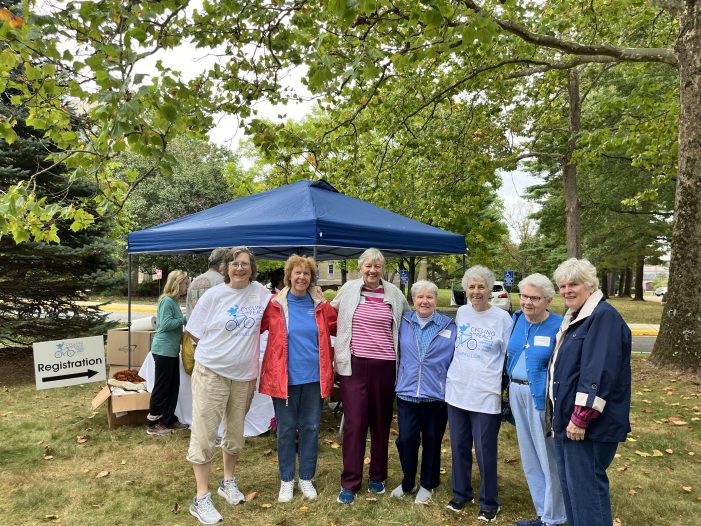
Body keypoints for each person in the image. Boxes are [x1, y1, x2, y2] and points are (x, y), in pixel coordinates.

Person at [185, 247, 272, 525]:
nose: (239, 268)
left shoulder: (261, 293)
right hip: (212, 373)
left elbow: (282, 307)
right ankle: (200, 498)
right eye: (234, 264)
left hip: (244, 376)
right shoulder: (214, 295)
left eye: (245, 264)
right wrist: (218, 354)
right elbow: (193, 333)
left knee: (235, 432)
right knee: (204, 433)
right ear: (226, 268)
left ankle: (228, 482)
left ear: (252, 268)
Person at [547, 258, 631, 526]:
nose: (567, 290)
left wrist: (581, 417)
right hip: (566, 420)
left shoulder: (602, 317)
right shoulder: (577, 317)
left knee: (587, 492)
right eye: (562, 285)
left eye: (574, 284)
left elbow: (599, 372)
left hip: (587, 425)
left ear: (590, 285)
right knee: (572, 489)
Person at [332, 248, 410, 505]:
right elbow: (329, 316)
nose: (372, 271)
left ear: (382, 269)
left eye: (377, 267)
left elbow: (408, 323)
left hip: (385, 366)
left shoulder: (395, 294)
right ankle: (350, 482)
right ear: (360, 268)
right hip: (353, 366)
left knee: (381, 422)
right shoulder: (349, 289)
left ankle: (378, 476)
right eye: (368, 266)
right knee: (355, 424)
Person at [259, 255, 337, 503]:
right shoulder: (274, 305)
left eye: (306, 273)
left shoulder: (320, 307)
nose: (302, 277)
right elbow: (252, 329)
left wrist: (325, 301)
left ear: (312, 278)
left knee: (311, 428)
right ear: (288, 276)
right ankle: (286, 480)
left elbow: (340, 327)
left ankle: (305, 477)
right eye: (297, 273)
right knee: (285, 430)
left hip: (314, 378)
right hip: (284, 379)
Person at [445, 265, 512, 522]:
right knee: (459, 446)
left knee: (485, 450)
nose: (476, 292)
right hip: (457, 389)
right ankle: (461, 493)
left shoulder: (502, 319)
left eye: (481, 287)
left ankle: (489, 502)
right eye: (471, 287)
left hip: (486, 392)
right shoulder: (461, 313)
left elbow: (509, 356)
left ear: (489, 289)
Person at [506, 274, 566, 526]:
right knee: (529, 455)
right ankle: (543, 511)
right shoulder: (517, 320)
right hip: (516, 393)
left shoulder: (560, 325)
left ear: (548, 300)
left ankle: (555, 516)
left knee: (547, 456)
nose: (527, 302)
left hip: (541, 396)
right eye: (524, 296)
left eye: (534, 298)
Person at [391, 280, 456, 505]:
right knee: (406, 440)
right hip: (407, 392)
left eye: (429, 297)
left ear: (436, 300)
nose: (425, 301)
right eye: (420, 297)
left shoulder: (449, 325)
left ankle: (428, 483)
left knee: (432, 441)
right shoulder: (404, 322)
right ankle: (408, 481)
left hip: (436, 395)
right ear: (413, 300)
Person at [147, 269, 190, 436]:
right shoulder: (166, 301)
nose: (187, 286)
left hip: (171, 351)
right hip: (163, 351)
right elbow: (164, 325)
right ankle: (153, 424)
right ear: (177, 283)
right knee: (162, 387)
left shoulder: (172, 301)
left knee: (173, 386)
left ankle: (168, 419)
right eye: (185, 283)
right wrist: (184, 319)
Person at [185, 248, 227, 318]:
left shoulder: (193, 282)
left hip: (194, 326)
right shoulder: (224, 282)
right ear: (223, 263)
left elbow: (188, 310)